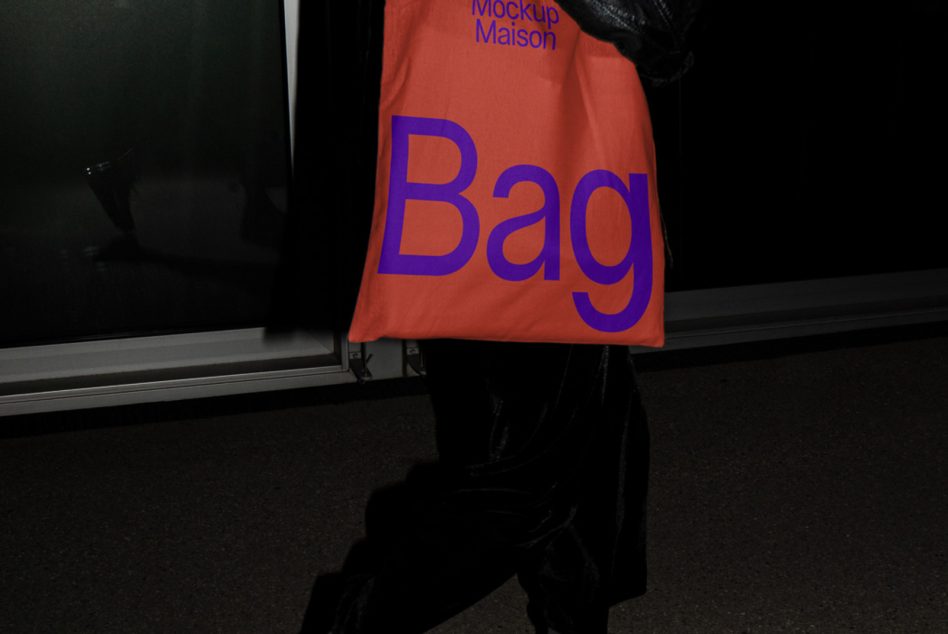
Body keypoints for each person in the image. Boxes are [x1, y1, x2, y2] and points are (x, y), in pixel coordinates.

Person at [294, 2, 703, 632]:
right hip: (514, 183)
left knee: (590, 424)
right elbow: (647, 22)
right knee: (524, 468)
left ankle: (573, 613)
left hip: (483, 161)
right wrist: (657, 26)